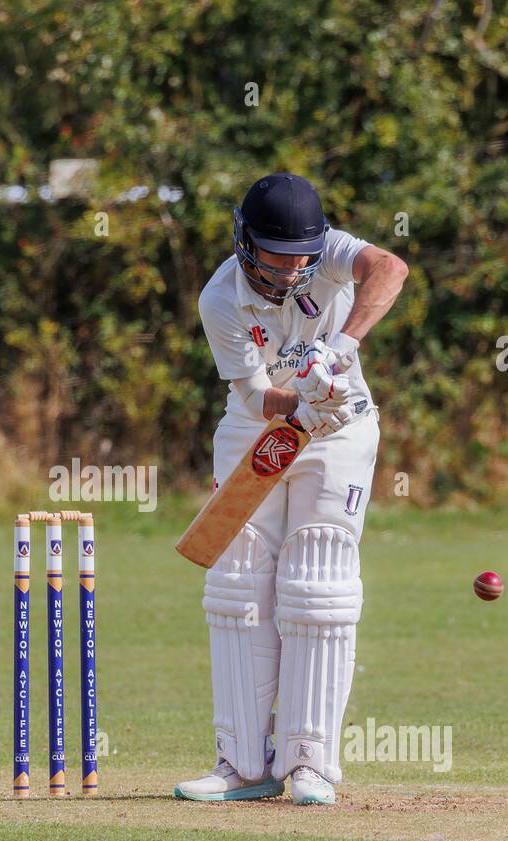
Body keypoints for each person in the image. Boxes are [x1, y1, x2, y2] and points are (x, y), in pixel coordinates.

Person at [175, 173, 407, 806]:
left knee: (317, 581)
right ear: (247, 243)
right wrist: (301, 397)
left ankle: (310, 761)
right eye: (277, 258)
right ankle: (242, 762)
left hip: (340, 430)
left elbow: (390, 267)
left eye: (301, 257)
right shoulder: (219, 298)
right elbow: (254, 397)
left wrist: (339, 351)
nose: (290, 270)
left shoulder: (327, 250)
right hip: (261, 430)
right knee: (237, 582)